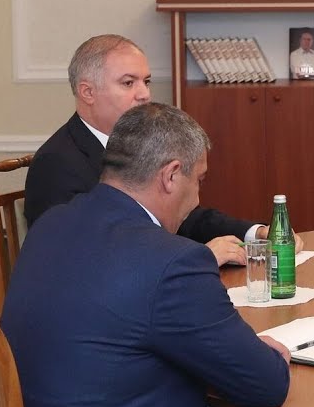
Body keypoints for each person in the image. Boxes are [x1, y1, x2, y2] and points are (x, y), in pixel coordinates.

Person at [2, 103, 314, 407]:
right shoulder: (172, 262)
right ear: (171, 175)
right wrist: (267, 352)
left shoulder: (51, 225)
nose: (198, 198)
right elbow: (264, 384)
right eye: (199, 180)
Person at [23, 34, 283, 266]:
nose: (144, 94)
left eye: (146, 81)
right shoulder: (55, 163)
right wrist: (199, 258)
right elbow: (84, 255)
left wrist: (255, 233)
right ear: (88, 92)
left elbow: (183, 214)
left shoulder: (140, 143)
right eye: (128, 83)